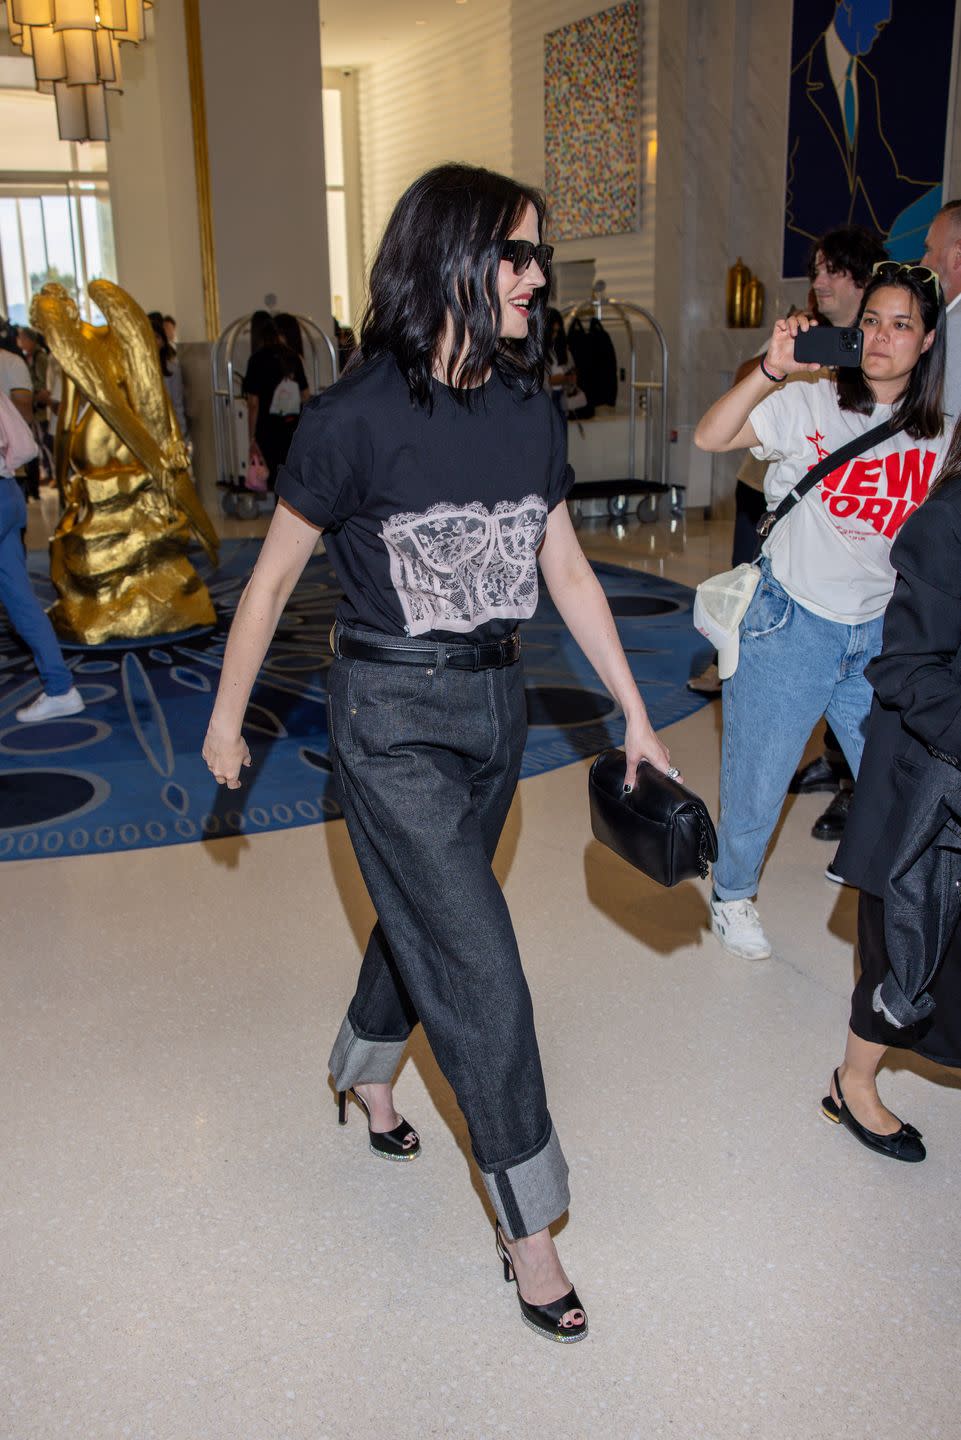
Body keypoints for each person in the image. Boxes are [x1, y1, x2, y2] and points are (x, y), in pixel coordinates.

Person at [201, 163, 674, 1343]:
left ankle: (363, 1066)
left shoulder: (526, 406)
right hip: (388, 717)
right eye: (515, 255)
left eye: (538, 257)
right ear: (450, 261)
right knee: (481, 967)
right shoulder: (352, 417)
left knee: (427, 914)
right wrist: (226, 717)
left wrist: (635, 710)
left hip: (496, 713)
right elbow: (268, 583)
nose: (534, 278)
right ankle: (531, 1231)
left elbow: (563, 567)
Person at [694, 262, 947, 960]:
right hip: (789, 623)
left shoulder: (940, 438)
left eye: (901, 325)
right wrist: (771, 369)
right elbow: (711, 437)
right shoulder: (809, 400)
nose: (880, 338)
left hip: (876, 637)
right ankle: (732, 894)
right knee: (758, 778)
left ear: (927, 342)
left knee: (898, 783)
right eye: (870, 321)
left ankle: (909, 900)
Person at [822, 415, 961, 1162]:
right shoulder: (945, 523)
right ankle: (853, 1080)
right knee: (905, 957)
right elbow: (907, 671)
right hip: (926, 788)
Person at [0, 319, 84, 724]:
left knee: (20, 601)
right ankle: (60, 688)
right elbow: (20, 440)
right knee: (20, 600)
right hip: (7, 493)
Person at [242, 312, 309, 490]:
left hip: (267, 429)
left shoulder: (256, 360)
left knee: (275, 478)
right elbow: (305, 395)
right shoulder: (293, 358)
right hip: (292, 427)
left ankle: (279, 514)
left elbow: (253, 403)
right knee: (291, 476)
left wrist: (252, 437)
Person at [922, 199, 961, 420]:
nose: (922, 262)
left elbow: (937, 424)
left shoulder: (953, 328)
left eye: (928, 250)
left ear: (958, 255)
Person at [148, 310, 189, 441]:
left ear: (163, 341)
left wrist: (181, 435)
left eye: (157, 337)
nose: (154, 341)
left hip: (169, 431)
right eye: (150, 336)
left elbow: (177, 404)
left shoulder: (172, 369)